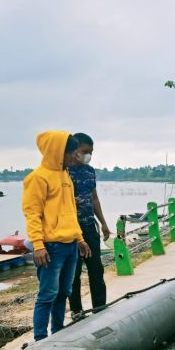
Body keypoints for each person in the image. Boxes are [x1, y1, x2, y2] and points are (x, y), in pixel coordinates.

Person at [23, 131, 90, 341]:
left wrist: (80, 239)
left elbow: (70, 210)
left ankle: (58, 333)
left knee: (63, 293)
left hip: (70, 245)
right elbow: (32, 213)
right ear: (57, 152)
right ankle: (40, 339)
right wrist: (38, 244)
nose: (74, 157)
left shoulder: (65, 175)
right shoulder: (37, 178)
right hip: (51, 247)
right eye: (70, 153)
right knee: (47, 295)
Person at [67, 133, 110, 321]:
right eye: (85, 152)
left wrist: (103, 222)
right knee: (73, 272)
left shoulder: (90, 171)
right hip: (70, 231)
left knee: (96, 269)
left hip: (89, 228)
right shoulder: (65, 172)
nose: (88, 156)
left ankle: (100, 307)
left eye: (91, 152)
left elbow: (94, 198)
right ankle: (76, 311)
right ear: (75, 150)